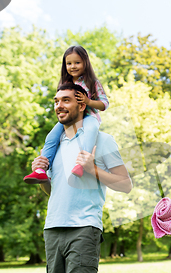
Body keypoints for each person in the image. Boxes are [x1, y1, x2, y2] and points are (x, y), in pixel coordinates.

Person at [31, 83, 132, 273]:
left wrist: (93, 169)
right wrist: (43, 177)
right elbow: (51, 191)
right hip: (53, 227)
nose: (59, 106)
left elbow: (125, 184)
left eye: (65, 100)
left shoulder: (101, 140)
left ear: (81, 104)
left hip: (84, 227)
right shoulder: (53, 146)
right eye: (56, 101)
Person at [24, 45, 109, 183]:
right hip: (71, 120)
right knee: (52, 136)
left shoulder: (92, 82)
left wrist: (88, 101)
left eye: (77, 62)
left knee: (91, 129)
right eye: (69, 63)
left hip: (89, 117)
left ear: (85, 63)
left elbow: (104, 104)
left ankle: (81, 163)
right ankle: (41, 169)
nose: (73, 66)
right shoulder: (65, 83)